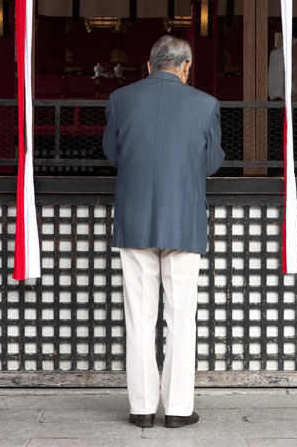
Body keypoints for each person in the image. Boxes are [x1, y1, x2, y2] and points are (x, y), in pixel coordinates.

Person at [103, 35, 224, 429]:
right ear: (186, 67)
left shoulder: (121, 100)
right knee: (181, 317)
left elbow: (112, 155)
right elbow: (212, 163)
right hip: (183, 219)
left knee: (139, 317)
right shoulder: (205, 105)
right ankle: (176, 409)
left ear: (148, 64)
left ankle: (141, 409)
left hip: (135, 219)